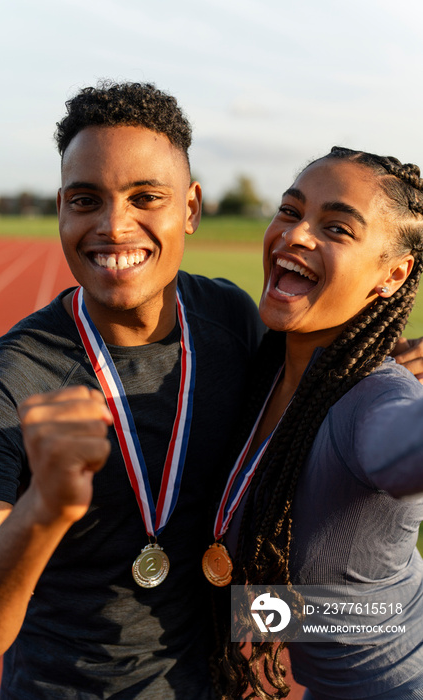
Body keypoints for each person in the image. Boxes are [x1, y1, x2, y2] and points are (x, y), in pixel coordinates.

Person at [0, 81, 266, 699]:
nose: (114, 226)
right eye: (86, 199)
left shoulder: (232, 321)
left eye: (145, 197)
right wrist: (42, 512)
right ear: (63, 209)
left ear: (191, 208)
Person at [215, 147, 423, 700]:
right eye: (290, 210)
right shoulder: (272, 374)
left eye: (336, 227)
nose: (296, 235)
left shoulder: (375, 405)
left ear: (392, 274)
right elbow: (343, 613)